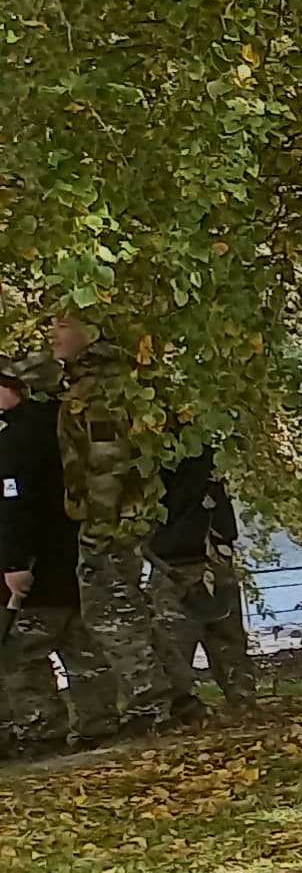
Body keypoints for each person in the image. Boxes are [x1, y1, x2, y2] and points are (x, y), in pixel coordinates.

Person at [29, 315, 165, 738]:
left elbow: (107, 464)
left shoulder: (100, 390)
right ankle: (166, 698)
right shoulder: (86, 382)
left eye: (64, 324)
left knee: (110, 611)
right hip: (110, 518)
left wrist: (101, 526)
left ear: (92, 331)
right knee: (120, 606)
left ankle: (152, 704)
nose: (53, 332)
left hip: (110, 522)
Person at [144, 444, 258, 722]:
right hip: (216, 554)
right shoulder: (207, 453)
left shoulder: (149, 459)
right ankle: (243, 702)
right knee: (228, 640)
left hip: (175, 563)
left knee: (172, 646)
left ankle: (182, 710)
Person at [0, 354, 68, 753]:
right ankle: (100, 720)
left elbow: (16, 506)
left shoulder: (19, 438)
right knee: (83, 646)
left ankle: (42, 730)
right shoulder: (63, 425)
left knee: (20, 653)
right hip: (69, 555)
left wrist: (13, 563)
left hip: (35, 563)